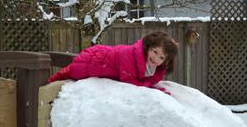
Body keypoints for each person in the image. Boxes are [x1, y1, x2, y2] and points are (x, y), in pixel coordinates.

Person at [47, 31, 178, 93]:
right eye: (155, 52)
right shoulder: (129, 55)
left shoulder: (154, 68)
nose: (156, 59)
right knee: (68, 73)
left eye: (161, 57)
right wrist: (150, 86)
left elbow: (146, 80)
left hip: (101, 59)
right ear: (148, 47)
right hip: (94, 61)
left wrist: (151, 85)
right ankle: (43, 86)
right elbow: (129, 81)